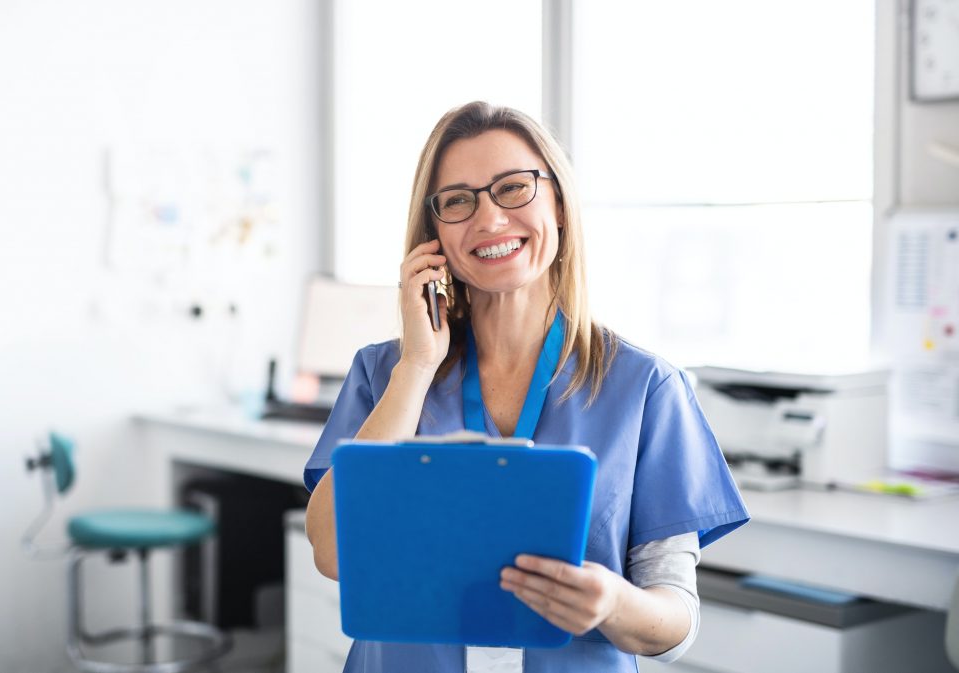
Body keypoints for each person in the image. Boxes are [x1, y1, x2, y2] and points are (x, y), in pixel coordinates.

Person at [303, 101, 749, 673]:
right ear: (434, 233)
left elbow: (676, 620)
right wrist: (417, 364)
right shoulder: (385, 374)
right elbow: (334, 551)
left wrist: (611, 602)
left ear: (558, 204)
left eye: (513, 188)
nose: (488, 221)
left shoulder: (646, 388)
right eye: (458, 201)